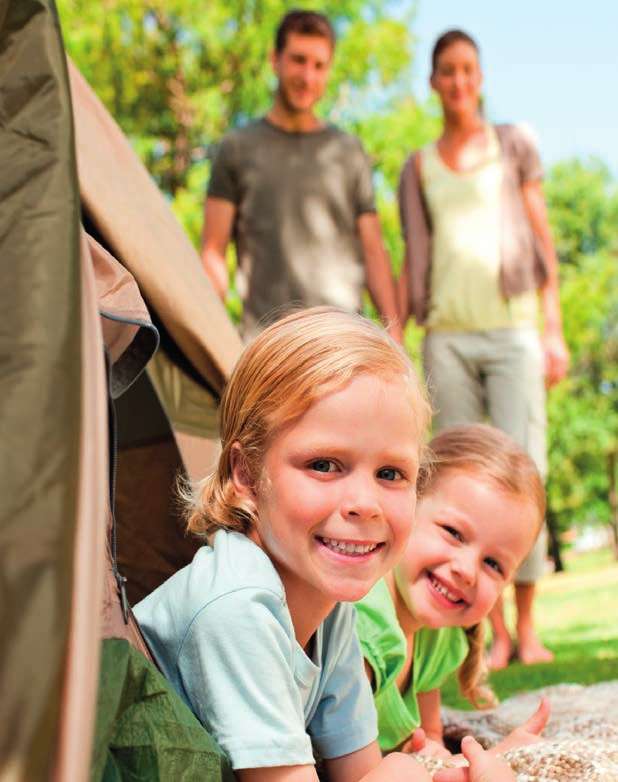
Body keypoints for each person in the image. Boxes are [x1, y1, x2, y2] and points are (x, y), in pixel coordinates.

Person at [134, 307, 528, 781]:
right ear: (246, 474)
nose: (365, 503)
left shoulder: (333, 611)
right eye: (324, 465)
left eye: (390, 473)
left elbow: (358, 771)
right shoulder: (235, 610)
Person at [397, 29, 570, 669]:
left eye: (468, 69)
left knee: (527, 470)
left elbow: (541, 230)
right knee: (458, 484)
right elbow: (415, 251)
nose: (459, 81)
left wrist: (553, 325)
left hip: (513, 327)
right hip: (445, 334)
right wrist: (397, 332)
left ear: (480, 76)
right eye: (447, 71)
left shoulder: (513, 143)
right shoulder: (417, 166)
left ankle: (526, 630)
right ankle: (488, 638)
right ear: (435, 82)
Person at [201, 10, 402, 343]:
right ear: (274, 60)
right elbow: (213, 252)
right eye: (298, 60)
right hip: (267, 345)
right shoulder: (236, 147)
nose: (308, 76)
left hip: (343, 342)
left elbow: (373, 250)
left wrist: (393, 331)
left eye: (319, 66)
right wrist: (207, 335)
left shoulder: (349, 151)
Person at [355, 424, 550, 758]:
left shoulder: (438, 640)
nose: (466, 570)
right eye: (453, 533)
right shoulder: (362, 624)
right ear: (407, 504)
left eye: (493, 564)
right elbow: (354, 768)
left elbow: (427, 741)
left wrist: (443, 758)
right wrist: (492, 757)